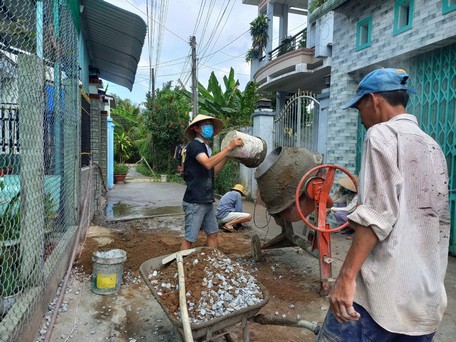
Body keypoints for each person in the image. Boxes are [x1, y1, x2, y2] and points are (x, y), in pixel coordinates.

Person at [316, 68, 449, 341]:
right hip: (425, 302)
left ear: (374, 100)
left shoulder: (380, 135)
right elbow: (435, 219)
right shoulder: (433, 146)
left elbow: (377, 216)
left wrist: (346, 278)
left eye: (359, 107)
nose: (360, 117)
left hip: (379, 301)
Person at [180, 114, 244, 250]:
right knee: (190, 238)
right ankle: (181, 266)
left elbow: (213, 170)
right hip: (195, 201)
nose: (210, 128)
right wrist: (228, 148)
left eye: (210, 125)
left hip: (206, 200)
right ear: (196, 129)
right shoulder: (195, 145)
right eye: (206, 125)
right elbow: (208, 163)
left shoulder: (205, 148)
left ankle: (214, 262)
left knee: (213, 234)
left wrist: (228, 154)